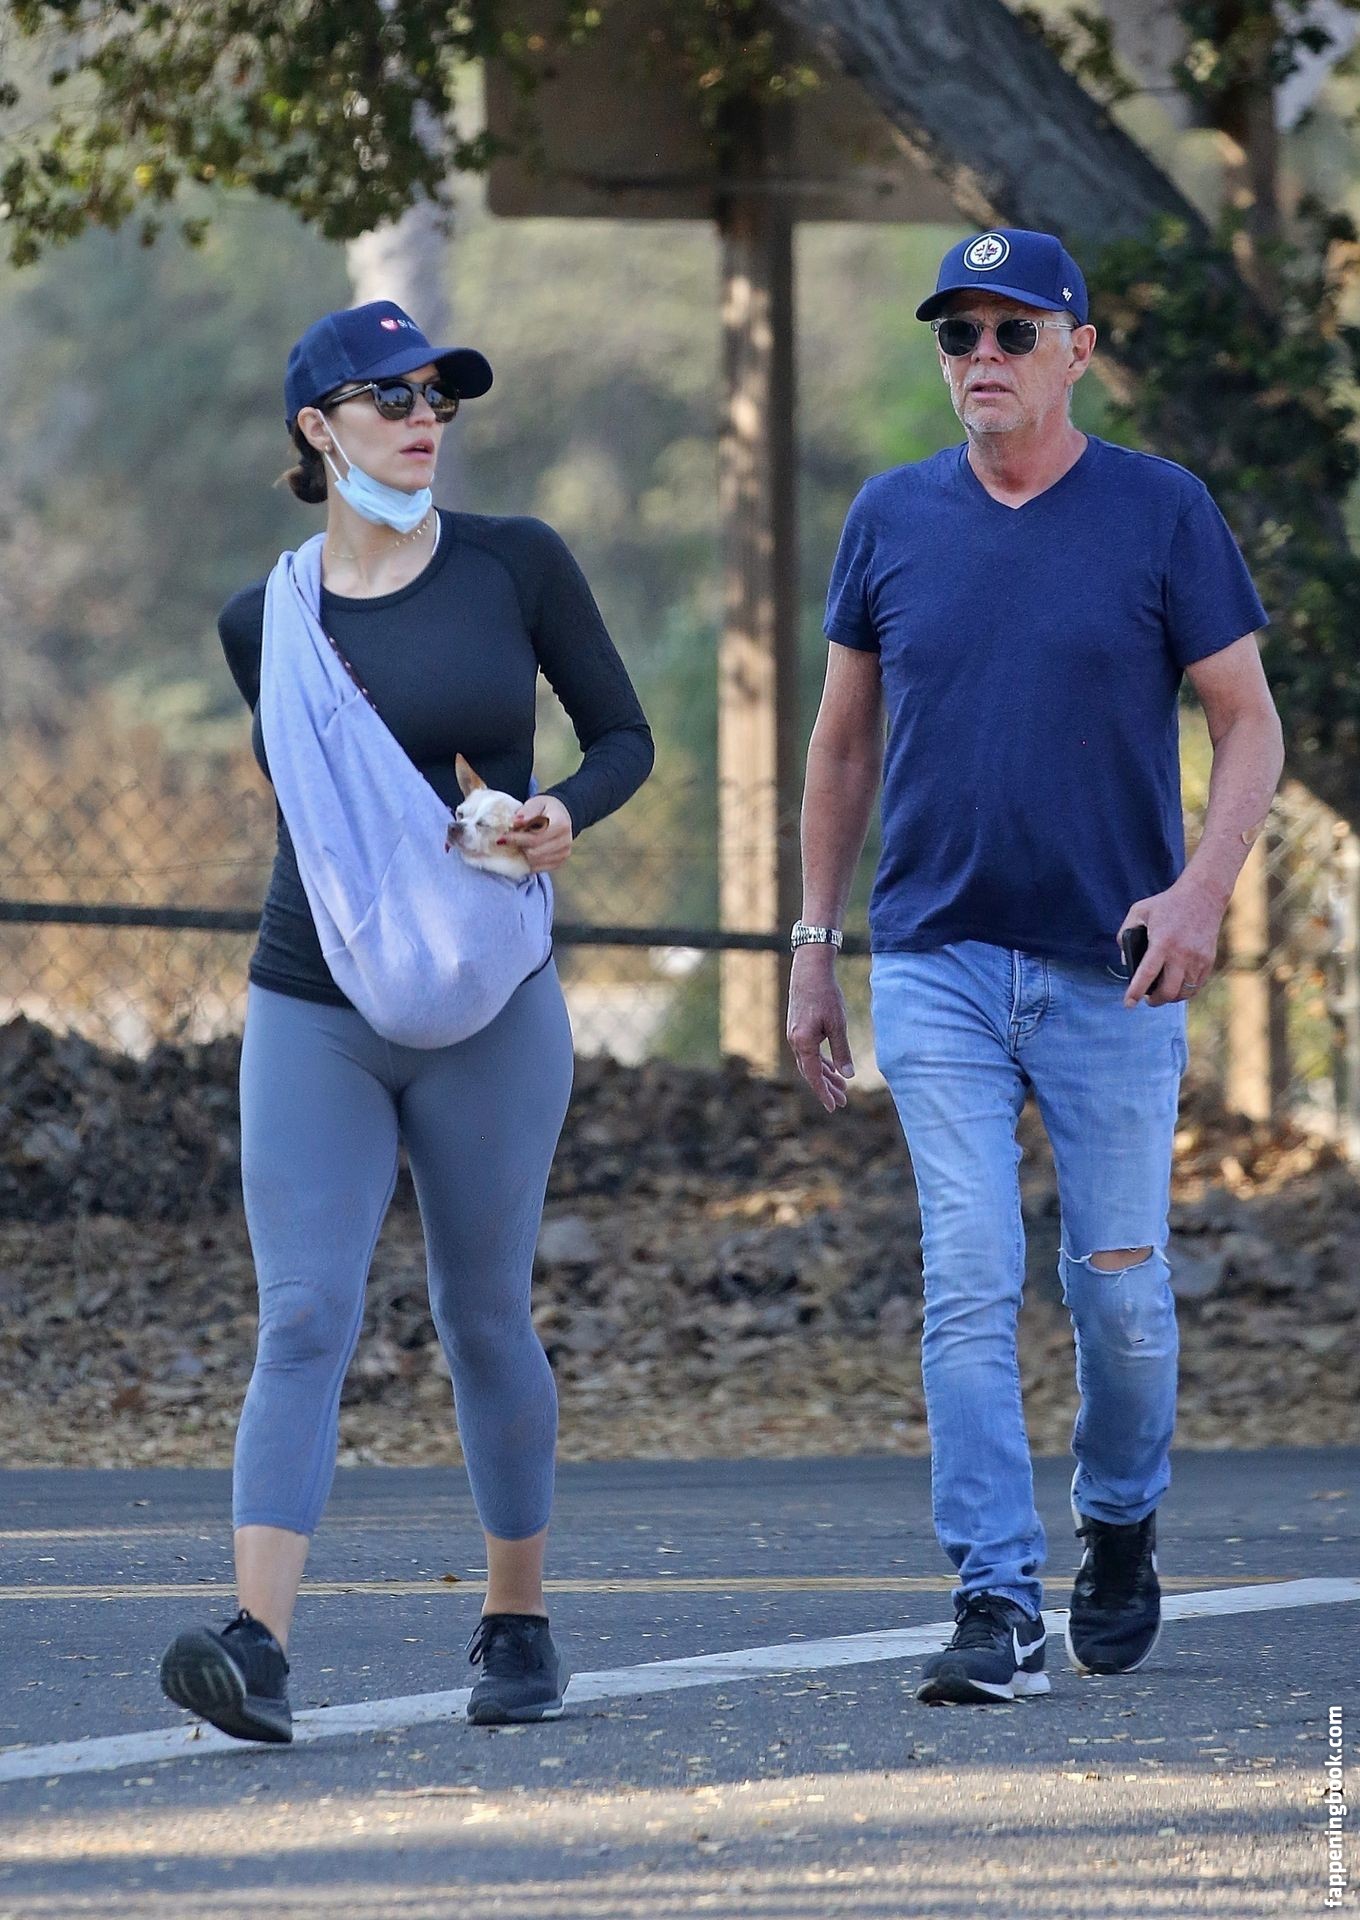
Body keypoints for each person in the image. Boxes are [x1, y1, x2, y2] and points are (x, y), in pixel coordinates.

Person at [788, 229, 1283, 1706]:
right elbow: (842, 746)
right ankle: (994, 1597)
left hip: (1111, 968)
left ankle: (1119, 1519)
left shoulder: (1159, 510)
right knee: (967, 1273)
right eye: (960, 335)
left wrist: (1199, 894)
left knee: (1119, 1296)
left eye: (1015, 330)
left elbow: (1248, 723)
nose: (984, 357)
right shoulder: (890, 517)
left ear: (1078, 350)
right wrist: (815, 948)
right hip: (933, 960)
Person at [158, 300, 654, 1741]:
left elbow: (623, 735)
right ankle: (257, 1644)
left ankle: (519, 1621)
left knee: (482, 1312)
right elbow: (322, 824)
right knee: (304, 1313)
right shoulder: (263, 622)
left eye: (439, 395)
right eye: (391, 398)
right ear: (319, 428)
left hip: (489, 998)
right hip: (312, 1000)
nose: (424, 418)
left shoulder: (517, 563)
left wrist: (564, 811)